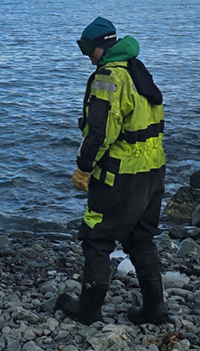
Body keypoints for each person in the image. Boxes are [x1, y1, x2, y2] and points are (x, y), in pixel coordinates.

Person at [56, 17, 169, 325]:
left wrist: (83, 168)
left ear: (100, 46)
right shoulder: (137, 68)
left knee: (97, 239)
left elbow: (99, 133)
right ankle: (155, 309)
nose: (86, 56)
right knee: (140, 238)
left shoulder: (108, 78)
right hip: (153, 170)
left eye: (86, 49)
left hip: (120, 175)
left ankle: (89, 310)